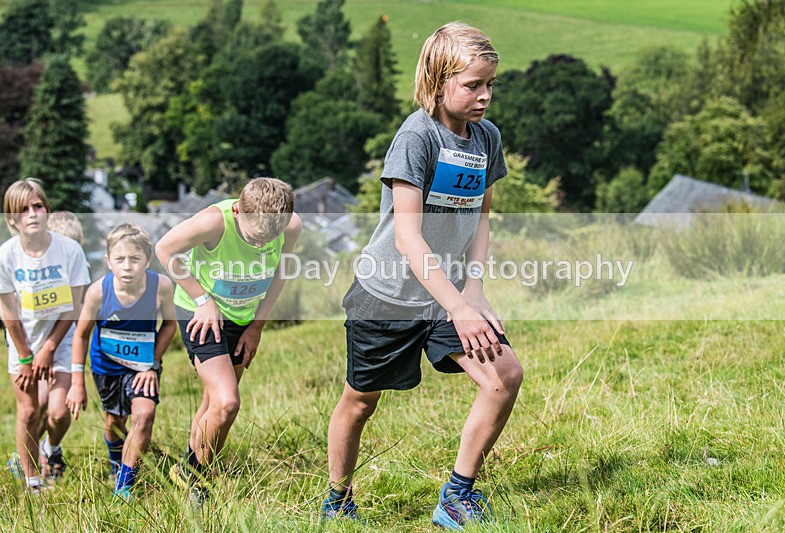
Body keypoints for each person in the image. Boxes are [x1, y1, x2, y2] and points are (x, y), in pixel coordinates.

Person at [322, 22, 523, 529]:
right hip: (387, 294)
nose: (485, 97)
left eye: (490, 85)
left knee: (503, 378)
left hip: (447, 292)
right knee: (360, 402)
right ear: (437, 81)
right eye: (472, 85)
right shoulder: (416, 136)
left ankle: (456, 496)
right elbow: (409, 238)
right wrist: (459, 304)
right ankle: (338, 498)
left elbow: (481, 215)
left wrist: (471, 290)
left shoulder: (486, 138)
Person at [155, 177, 302, 504]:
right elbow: (164, 250)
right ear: (237, 211)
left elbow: (281, 272)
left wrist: (257, 326)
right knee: (227, 402)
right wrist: (202, 300)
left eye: (271, 237)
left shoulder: (290, 227)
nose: (263, 244)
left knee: (214, 403)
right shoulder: (212, 222)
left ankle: (190, 469)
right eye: (256, 236)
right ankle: (196, 478)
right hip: (200, 313)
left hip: (243, 316)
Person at [66, 223, 177, 501]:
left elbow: (170, 325)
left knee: (144, 415)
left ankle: (124, 487)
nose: (127, 266)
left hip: (143, 366)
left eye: (135, 259)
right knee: (114, 422)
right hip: (107, 368)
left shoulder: (161, 286)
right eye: (120, 259)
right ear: (108, 261)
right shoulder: (97, 292)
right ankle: (118, 461)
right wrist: (76, 382)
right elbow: (80, 335)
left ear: (147, 260)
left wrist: (152, 363)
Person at [0, 179, 90, 492]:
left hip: (60, 340)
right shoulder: (7, 255)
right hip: (23, 342)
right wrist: (27, 356)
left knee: (58, 411)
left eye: (38, 206)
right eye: (23, 210)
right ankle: (33, 483)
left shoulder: (70, 251)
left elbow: (74, 307)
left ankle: (50, 448)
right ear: (12, 219)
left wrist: (50, 347)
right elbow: (9, 313)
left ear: (47, 209)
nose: (32, 214)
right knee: (28, 411)